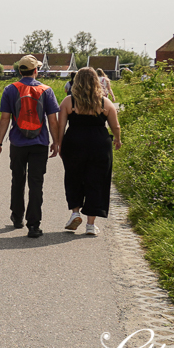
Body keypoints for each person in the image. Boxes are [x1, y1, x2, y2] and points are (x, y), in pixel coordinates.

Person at [0, 55, 60, 238]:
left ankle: (17, 216)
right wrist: (56, 141)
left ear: (20, 71)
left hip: (17, 142)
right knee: (36, 183)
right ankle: (34, 225)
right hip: (40, 143)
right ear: (36, 71)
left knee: (18, 179)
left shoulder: (10, 89)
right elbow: (53, 121)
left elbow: (5, 118)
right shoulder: (47, 90)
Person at [55, 67, 122, 236]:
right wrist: (118, 139)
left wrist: (59, 144)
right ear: (96, 82)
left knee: (73, 177)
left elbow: (61, 126)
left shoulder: (68, 102)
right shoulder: (105, 103)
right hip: (99, 144)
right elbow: (116, 126)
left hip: (74, 142)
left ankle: (75, 213)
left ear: (76, 82)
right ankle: (91, 224)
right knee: (97, 181)